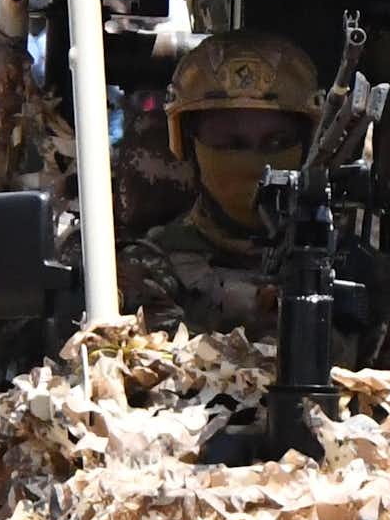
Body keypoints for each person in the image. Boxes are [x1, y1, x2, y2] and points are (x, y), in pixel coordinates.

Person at [125, 31, 320, 333]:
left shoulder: (353, 271)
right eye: (230, 144)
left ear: (307, 146)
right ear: (189, 147)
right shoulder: (145, 268)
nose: (254, 161)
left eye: (277, 141)